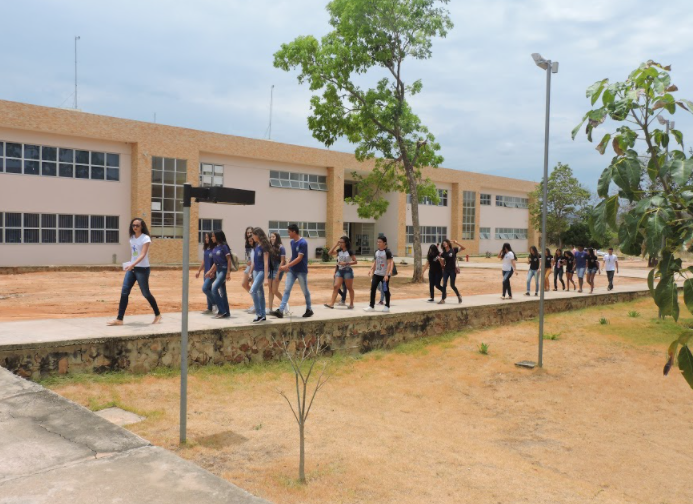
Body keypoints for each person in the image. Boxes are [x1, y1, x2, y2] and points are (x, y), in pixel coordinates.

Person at [108, 218, 162, 326]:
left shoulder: (145, 238)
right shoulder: (132, 238)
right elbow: (134, 254)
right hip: (132, 269)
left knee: (146, 293)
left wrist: (133, 264)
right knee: (124, 292)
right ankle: (119, 319)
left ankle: (158, 314)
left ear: (142, 226)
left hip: (142, 269)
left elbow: (142, 254)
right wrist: (130, 264)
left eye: (137, 225)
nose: (135, 227)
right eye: (133, 225)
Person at [271, 224, 313, 318]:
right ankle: (281, 311)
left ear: (294, 232)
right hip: (292, 270)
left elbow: (299, 258)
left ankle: (309, 309)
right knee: (287, 289)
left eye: (289, 232)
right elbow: (294, 256)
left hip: (301, 271)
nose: (288, 234)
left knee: (305, 290)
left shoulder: (303, 243)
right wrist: (288, 266)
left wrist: (287, 265)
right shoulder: (292, 242)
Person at [324, 236, 357, 309]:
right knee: (336, 286)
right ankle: (331, 304)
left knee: (349, 288)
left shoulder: (349, 251)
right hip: (340, 270)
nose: (340, 244)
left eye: (342, 242)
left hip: (347, 271)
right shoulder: (339, 251)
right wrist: (336, 245)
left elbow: (355, 261)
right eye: (340, 242)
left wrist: (346, 263)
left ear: (346, 243)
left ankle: (351, 304)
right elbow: (329, 253)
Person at [205, 230, 232, 318]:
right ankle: (226, 312)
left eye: (213, 236)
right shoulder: (216, 247)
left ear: (217, 237)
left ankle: (221, 310)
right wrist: (210, 271)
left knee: (214, 288)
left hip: (223, 270)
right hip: (218, 270)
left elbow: (229, 260)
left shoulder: (224, 246)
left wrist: (228, 272)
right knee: (223, 292)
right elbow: (216, 263)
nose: (212, 238)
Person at [364, 235, 394, 312]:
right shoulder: (377, 252)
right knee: (373, 288)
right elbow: (375, 262)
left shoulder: (387, 252)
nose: (378, 243)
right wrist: (371, 270)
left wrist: (387, 274)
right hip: (377, 274)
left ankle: (387, 306)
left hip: (384, 275)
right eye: (377, 241)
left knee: (385, 289)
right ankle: (371, 306)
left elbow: (389, 263)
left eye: (380, 242)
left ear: (384, 243)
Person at [249, 228, 270, 322]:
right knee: (260, 293)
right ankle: (263, 315)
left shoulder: (264, 246)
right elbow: (254, 261)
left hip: (262, 271)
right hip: (256, 271)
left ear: (258, 235)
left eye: (253, 235)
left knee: (253, 291)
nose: (252, 237)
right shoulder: (257, 245)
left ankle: (259, 314)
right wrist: (250, 272)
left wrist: (266, 278)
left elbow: (266, 263)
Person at [196, 232, 217, 314]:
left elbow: (216, 262)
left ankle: (215, 304)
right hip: (206, 272)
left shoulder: (214, 249)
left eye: (208, 238)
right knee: (208, 289)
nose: (206, 239)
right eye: (206, 238)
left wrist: (212, 272)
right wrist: (199, 270)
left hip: (211, 273)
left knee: (204, 288)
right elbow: (204, 261)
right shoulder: (206, 248)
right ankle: (209, 308)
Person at [438, 239, 465, 304]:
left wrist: (457, 243)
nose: (444, 244)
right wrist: (440, 260)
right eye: (443, 243)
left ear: (448, 243)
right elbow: (443, 264)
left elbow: (463, 248)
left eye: (445, 242)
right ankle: (443, 299)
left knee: (452, 285)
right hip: (446, 270)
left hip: (453, 270)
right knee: (444, 284)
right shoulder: (443, 253)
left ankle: (458, 295)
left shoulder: (453, 250)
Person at [267, 232, 286, 314]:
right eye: (271, 237)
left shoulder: (281, 248)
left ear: (277, 237)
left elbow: (282, 261)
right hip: (270, 268)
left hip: (278, 268)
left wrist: (278, 273)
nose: (272, 238)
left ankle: (285, 304)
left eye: (273, 237)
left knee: (274, 290)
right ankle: (270, 309)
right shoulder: (269, 247)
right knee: (270, 290)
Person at [241, 227, 256, 313]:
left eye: (250, 232)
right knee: (244, 284)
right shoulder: (247, 244)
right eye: (247, 233)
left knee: (253, 286)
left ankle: (256, 305)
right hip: (249, 266)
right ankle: (255, 302)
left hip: (254, 266)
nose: (249, 234)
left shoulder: (255, 243)